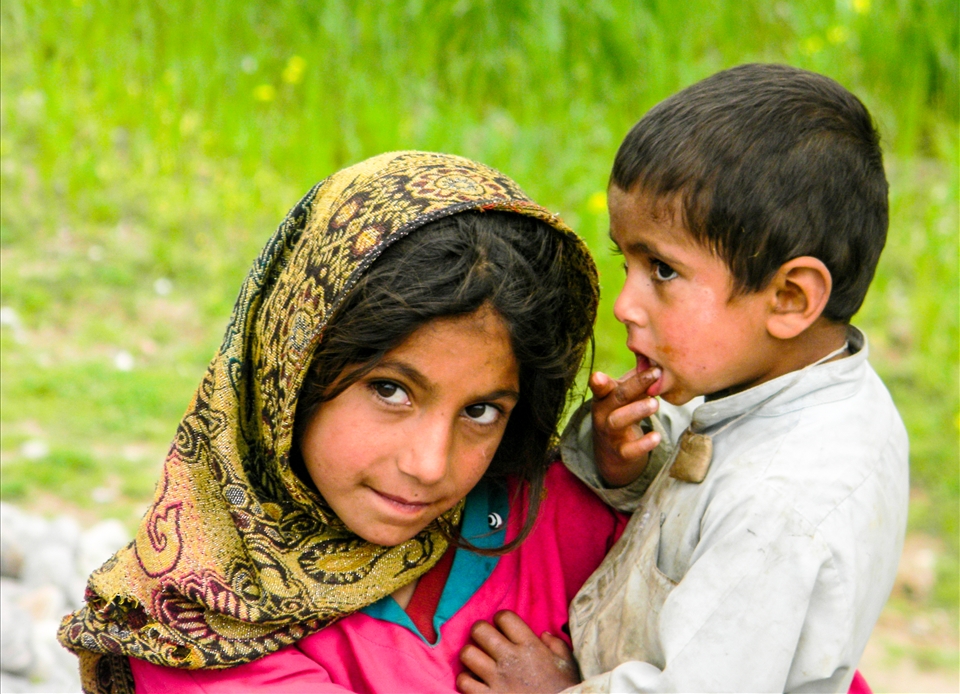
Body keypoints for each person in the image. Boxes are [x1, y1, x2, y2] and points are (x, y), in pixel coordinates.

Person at [57, 151, 627, 694]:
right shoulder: (202, 628)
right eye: (390, 389)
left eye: (480, 411)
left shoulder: (570, 516)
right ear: (292, 368)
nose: (430, 466)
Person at [457, 64, 908, 694]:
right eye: (628, 261)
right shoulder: (777, 381)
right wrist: (625, 461)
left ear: (788, 297)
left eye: (662, 270)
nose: (624, 305)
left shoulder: (781, 508)